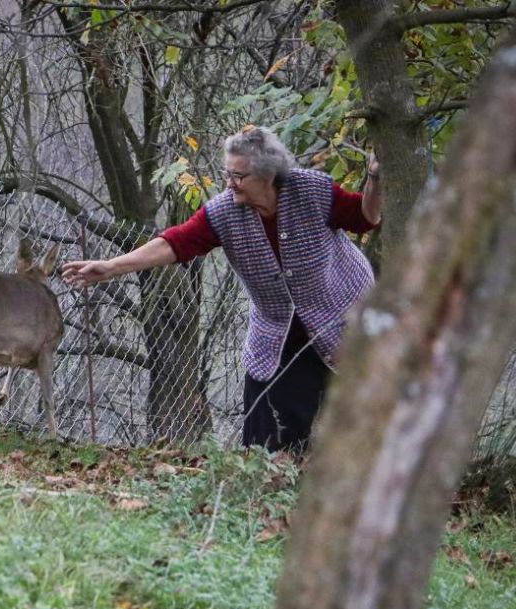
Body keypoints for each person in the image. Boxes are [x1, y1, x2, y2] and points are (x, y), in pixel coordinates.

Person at [62, 125, 381, 452]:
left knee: (360, 432)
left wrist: (374, 177)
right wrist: (111, 267)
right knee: (265, 442)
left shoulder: (311, 191)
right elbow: (176, 242)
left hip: (345, 320)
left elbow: (365, 216)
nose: (230, 183)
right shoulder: (226, 212)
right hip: (278, 334)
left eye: (238, 176)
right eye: (226, 173)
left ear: (267, 175)